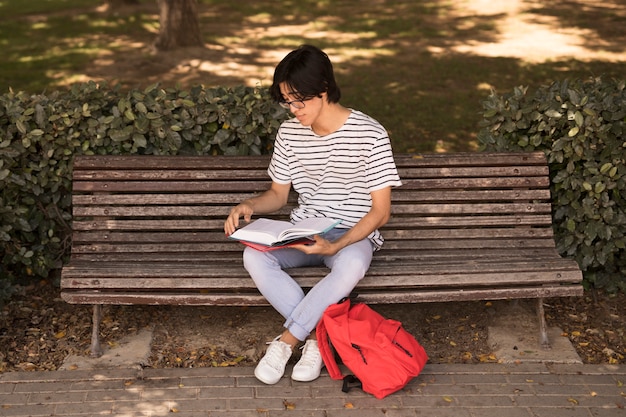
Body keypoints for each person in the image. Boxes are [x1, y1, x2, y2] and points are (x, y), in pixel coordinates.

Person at [224, 44, 402, 385]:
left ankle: (286, 342)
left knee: (351, 264)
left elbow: (380, 212)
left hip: (352, 234)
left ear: (323, 90)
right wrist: (249, 205)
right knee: (255, 257)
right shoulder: (290, 134)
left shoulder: (370, 134)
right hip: (304, 231)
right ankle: (319, 340)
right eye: (285, 101)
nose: (292, 110)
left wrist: (337, 245)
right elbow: (277, 195)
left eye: (298, 100)